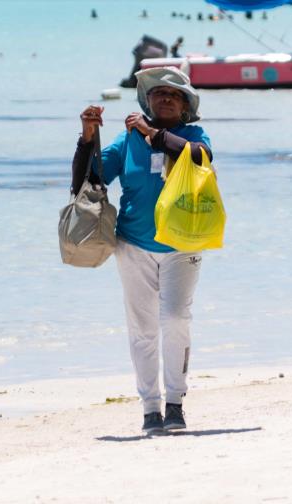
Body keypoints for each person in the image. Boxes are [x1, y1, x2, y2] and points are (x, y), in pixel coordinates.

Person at [72, 67, 212, 434]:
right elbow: (89, 180)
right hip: (133, 243)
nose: (165, 97)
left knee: (176, 319)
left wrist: (153, 135)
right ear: (146, 101)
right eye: (158, 93)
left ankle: (176, 403)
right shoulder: (128, 139)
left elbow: (199, 160)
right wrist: (88, 138)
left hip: (183, 244)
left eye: (174, 94)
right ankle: (151, 408)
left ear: (185, 106)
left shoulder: (194, 135)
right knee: (143, 328)